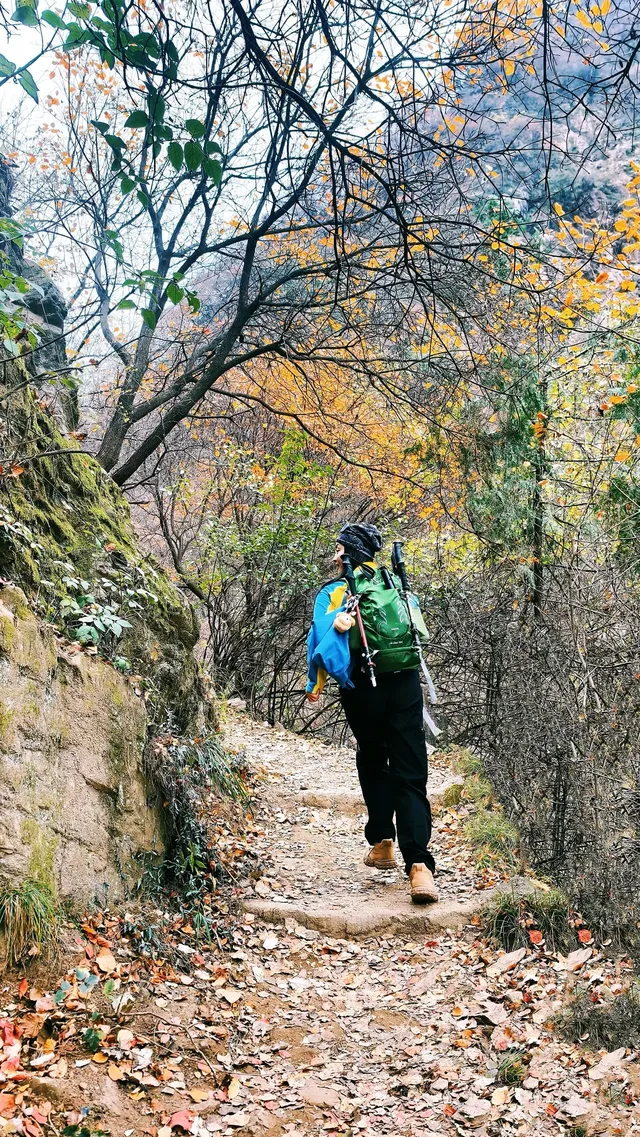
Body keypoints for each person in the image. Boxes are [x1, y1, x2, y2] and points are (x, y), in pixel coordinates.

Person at [306, 522, 438, 904]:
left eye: (338, 549)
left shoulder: (334, 591)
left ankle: (382, 840)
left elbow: (320, 640)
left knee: (372, 755)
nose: (334, 556)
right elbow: (418, 633)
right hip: (405, 680)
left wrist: (314, 685)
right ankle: (420, 867)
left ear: (347, 554)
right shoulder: (395, 584)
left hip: (364, 685)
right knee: (410, 768)